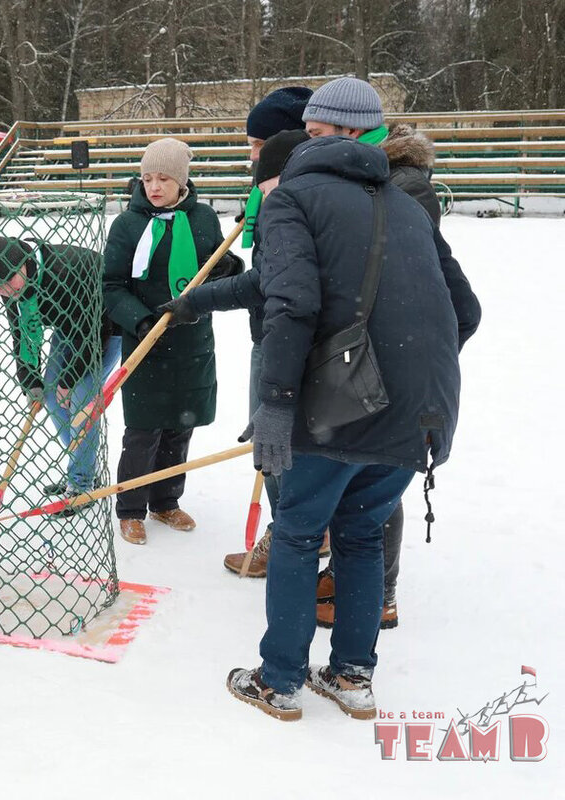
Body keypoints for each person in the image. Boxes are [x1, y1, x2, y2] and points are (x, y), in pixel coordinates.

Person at [226, 131, 480, 722]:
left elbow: (293, 304)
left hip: (335, 411)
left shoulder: (294, 198)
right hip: (421, 415)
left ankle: (280, 681)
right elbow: (465, 310)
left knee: (296, 533)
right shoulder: (405, 202)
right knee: (362, 538)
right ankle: (352, 678)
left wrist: (280, 402)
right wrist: (410, 372)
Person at [164, 86, 313, 577]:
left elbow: (275, 285)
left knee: (275, 443)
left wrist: (201, 300)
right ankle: (305, 531)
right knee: (283, 443)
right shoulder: (273, 194)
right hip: (275, 331)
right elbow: (268, 275)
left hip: (284, 337)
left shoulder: (292, 197)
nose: (250, 154)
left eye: (257, 144)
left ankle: (289, 536)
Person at [103, 137, 243, 545]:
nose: (154, 186)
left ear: (182, 181)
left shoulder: (202, 218)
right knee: (144, 429)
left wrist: (229, 267)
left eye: (164, 178)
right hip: (146, 341)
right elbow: (111, 286)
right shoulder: (128, 225)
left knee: (182, 426)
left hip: (192, 340)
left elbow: (216, 267)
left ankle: (166, 501)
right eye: (147, 178)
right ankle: (130, 508)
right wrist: (141, 320)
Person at [0, 237, 121, 502]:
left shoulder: (64, 271)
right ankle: (84, 467)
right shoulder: (12, 287)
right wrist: (29, 379)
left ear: (25, 263)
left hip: (108, 326)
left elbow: (92, 334)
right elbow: (20, 333)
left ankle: (81, 484)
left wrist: (69, 379)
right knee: (53, 400)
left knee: (80, 402)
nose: (6, 291)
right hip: (68, 328)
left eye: (9, 280)